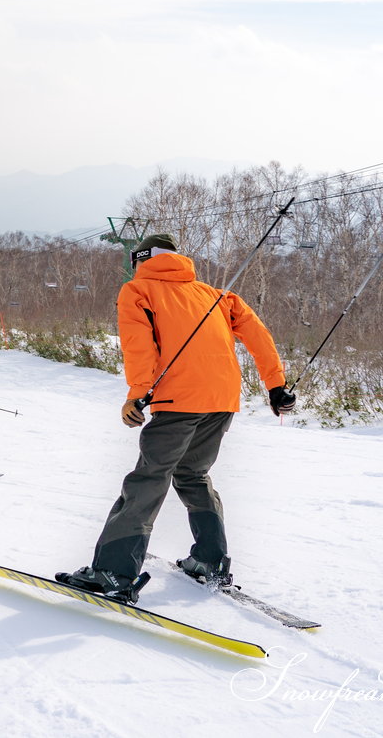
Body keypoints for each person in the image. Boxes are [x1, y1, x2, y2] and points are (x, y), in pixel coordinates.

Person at [58, 234, 296, 603]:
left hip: (178, 399)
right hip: (221, 400)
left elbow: (138, 345)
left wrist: (137, 393)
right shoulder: (217, 295)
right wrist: (276, 385)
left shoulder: (138, 290)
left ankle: (113, 572)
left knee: (149, 478)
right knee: (192, 474)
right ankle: (209, 561)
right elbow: (258, 335)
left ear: (141, 259)